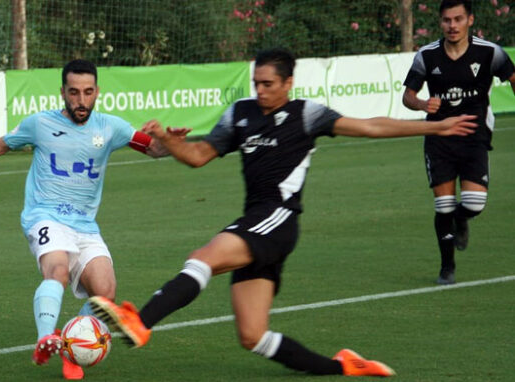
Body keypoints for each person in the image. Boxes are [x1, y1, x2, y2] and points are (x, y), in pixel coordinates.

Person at [88, 48, 477, 378]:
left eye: (268, 84)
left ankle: (140, 322)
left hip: (278, 220)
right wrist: (169, 142)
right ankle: (343, 366)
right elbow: (198, 156)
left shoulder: (307, 115)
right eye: (256, 83)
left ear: (288, 83)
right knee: (253, 336)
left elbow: (371, 126)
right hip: (257, 224)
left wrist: (436, 128)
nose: (260, 90)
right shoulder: (240, 114)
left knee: (203, 258)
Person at [0, 59, 181, 380]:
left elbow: (153, 148)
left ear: (97, 92)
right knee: (57, 271)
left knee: (105, 291)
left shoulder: (111, 127)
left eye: (88, 92)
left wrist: (170, 142)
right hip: (45, 216)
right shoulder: (40, 124)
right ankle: (46, 337)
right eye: (74, 92)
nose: (81, 100)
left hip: (85, 226)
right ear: (62, 92)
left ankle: (72, 344)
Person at [402, 0, 515, 285]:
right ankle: (447, 267)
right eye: (446, 20)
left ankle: (461, 220)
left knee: (474, 203)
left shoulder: (490, 52)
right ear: (440, 22)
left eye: (458, 19)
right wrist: (421, 104)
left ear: (470, 20)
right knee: (443, 205)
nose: (452, 25)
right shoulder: (427, 56)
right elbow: (408, 96)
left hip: (474, 135)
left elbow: (513, 77)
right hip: (439, 138)